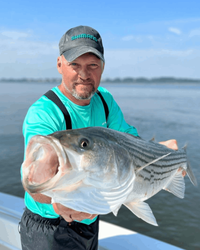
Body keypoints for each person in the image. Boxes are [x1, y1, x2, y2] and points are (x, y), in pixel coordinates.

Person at [19, 25, 179, 250]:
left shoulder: (105, 100)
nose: (84, 74)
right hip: (49, 227)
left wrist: (162, 153)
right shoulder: (44, 113)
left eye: (92, 65)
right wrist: (56, 204)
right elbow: (34, 180)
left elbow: (129, 142)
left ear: (102, 67)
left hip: (90, 220)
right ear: (59, 64)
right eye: (75, 65)